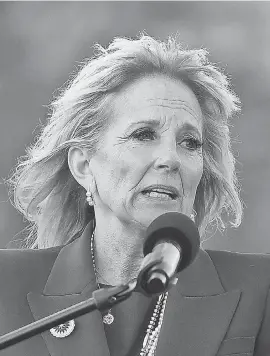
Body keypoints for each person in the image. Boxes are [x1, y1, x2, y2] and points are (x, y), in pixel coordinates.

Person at [0, 34, 269, 356]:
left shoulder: (260, 289)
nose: (170, 158)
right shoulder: (6, 284)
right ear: (84, 165)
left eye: (190, 143)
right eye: (143, 135)